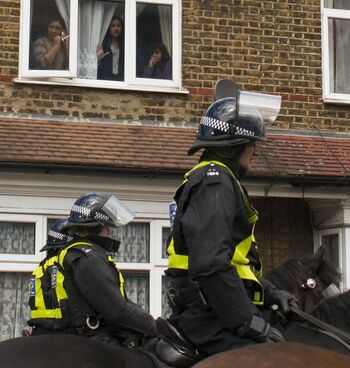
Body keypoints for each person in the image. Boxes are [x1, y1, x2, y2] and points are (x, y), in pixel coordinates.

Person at [164, 80, 293, 358]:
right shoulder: (215, 182)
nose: (255, 151)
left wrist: (271, 293)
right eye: (252, 144)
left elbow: (236, 261)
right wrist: (249, 323)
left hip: (215, 309)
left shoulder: (218, 180)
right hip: (209, 315)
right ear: (236, 144)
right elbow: (211, 265)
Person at [28, 193, 163, 347]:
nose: (109, 232)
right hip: (87, 337)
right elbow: (117, 311)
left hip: (57, 333)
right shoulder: (87, 257)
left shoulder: (71, 254)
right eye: (106, 228)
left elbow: (122, 302)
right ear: (94, 227)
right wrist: (156, 328)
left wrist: (149, 319)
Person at [97, 15, 125, 81]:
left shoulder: (126, 45)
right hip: (105, 80)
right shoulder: (103, 44)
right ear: (108, 28)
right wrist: (99, 59)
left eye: (119, 26)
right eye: (113, 26)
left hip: (121, 80)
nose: (116, 28)